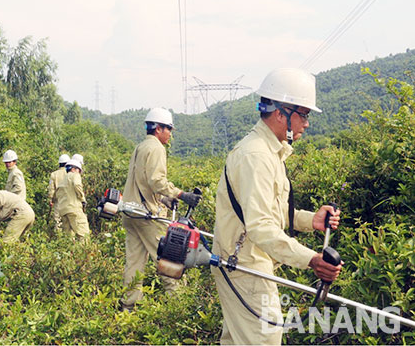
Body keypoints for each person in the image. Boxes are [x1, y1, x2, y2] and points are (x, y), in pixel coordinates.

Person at [211, 68, 342, 345]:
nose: (306, 123)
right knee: (265, 339)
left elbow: (270, 212)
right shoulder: (256, 156)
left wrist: (311, 220)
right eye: (303, 114)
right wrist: (311, 259)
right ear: (281, 113)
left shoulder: (269, 151)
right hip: (245, 266)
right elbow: (260, 226)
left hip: (247, 263)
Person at [119, 108, 201, 312]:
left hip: (130, 212)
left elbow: (143, 181)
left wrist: (163, 199)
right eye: (169, 129)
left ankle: (128, 306)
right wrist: (181, 194)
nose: (170, 134)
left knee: (134, 262)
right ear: (158, 129)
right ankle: (179, 305)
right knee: (168, 256)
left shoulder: (141, 147)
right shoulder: (156, 148)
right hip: (146, 215)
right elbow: (156, 181)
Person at [56, 158, 90, 240]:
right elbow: (77, 185)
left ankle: (71, 252)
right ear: (74, 169)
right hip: (74, 209)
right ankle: (84, 252)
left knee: (69, 237)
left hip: (63, 211)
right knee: (83, 234)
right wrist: (82, 199)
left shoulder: (62, 181)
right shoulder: (75, 175)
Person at [48, 153, 70, 231]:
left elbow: (51, 189)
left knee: (58, 220)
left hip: (58, 200)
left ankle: (58, 237)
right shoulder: (70, 173)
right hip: (69, 200)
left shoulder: (54, 174)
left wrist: (51, 200)